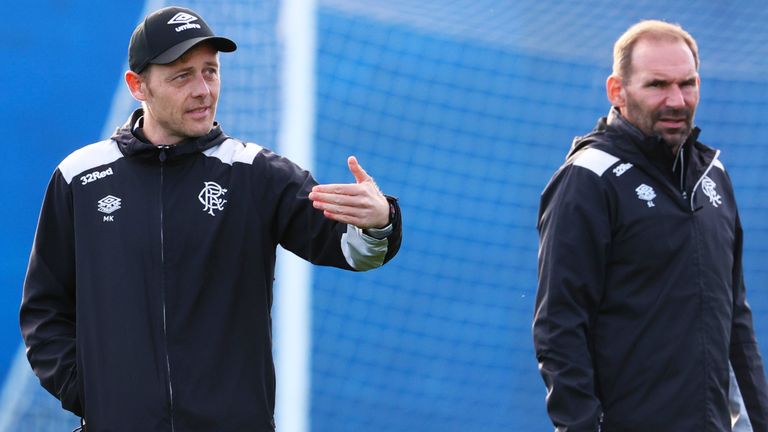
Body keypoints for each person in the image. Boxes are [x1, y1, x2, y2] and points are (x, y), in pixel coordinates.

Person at [20, 6, 401, 432]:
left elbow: (351, 249)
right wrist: (92, 391)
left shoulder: (254, 173)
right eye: (182, 76)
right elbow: (45, 308)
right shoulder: (81, 178)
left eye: (210, 71)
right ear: (137, 85)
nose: (203, 89)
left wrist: (377, 221)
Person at [533, 20, 768, 431]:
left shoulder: (713, 176)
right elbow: (559, 327)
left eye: (687, 84)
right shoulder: (588, 178)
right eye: (657, 85)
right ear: (616, 91)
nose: (676, 100)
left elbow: (735, 320)